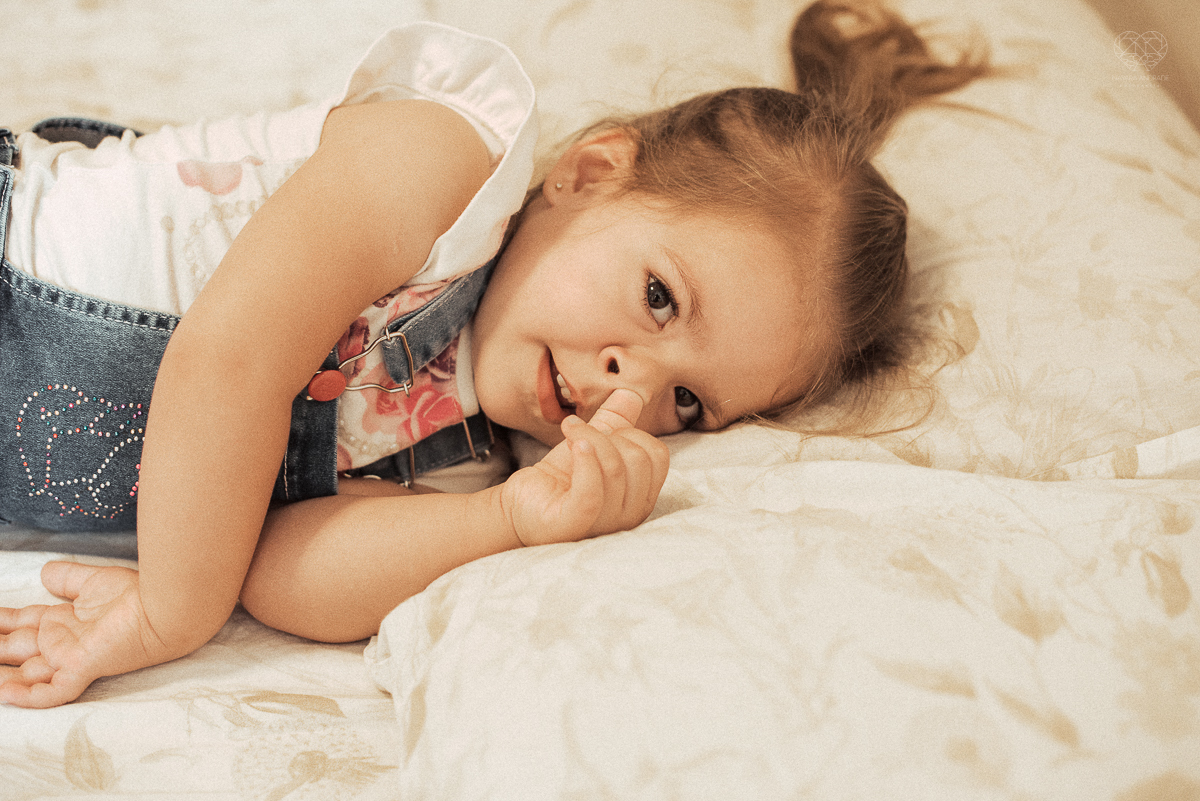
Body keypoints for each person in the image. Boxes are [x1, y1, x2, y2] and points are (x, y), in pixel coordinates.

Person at [0, 1, 987, 708]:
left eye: (689, 402)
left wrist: (508, 520)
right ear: (590, 173)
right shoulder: (445, 165)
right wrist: (170, 615)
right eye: (658, 298)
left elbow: (276, 572)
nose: (630, 388)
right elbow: (232, 354)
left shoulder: (468, 461)